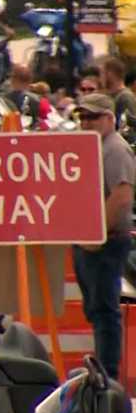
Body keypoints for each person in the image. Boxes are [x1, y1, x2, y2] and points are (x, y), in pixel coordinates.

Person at [72, 93, 135, 379]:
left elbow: (122, 196)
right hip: (90, 239)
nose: (86, 122)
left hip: (107, 241)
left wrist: (97, 234)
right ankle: (101, 370)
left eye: (93, 117)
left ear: (109, 118)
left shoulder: (115, 149)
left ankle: (107, 376)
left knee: (105, 311)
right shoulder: (93, 146)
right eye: (82, 117)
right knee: (95, 309)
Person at [100, 56, 136, 130]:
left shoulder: (125, 96)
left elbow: (129, 126)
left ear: (110, 74)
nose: (100, 78)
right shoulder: (109, 95)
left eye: (102, 73)